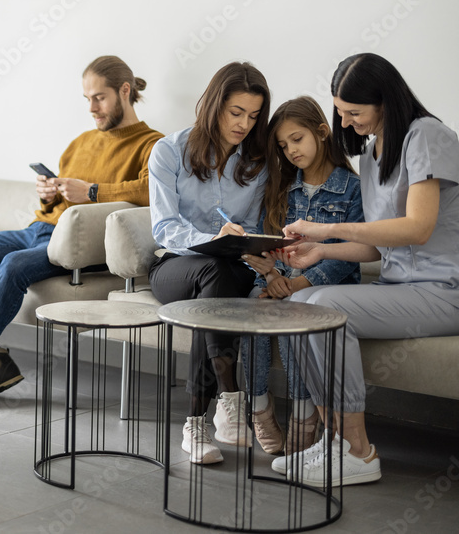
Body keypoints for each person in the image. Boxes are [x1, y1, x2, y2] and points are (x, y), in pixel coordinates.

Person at [0, 56, 164, 403]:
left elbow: (150, 191)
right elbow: (60, 201)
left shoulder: (153, 144)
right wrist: (49, 195)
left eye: (99, 97)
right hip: (40, 230)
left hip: (82, 247)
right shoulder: (80, 142)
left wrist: (91, 192)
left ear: (124, 91)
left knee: (14, 264)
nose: (92, 107)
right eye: (87, 98)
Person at [276, 53, 459, 487]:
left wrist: (326, 230)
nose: (345, 123)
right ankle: (335, 440)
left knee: (325, 308)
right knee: (297, 304)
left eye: (354, 112)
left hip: (444, 290)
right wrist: (320, 253)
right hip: (402, 288)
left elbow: (417, 229)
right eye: (340, 112)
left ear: (385, 101)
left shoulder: (426, 136)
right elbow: (379, 245)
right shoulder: (374, 152)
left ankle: (360, 452)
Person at [147, 61, 270, 464]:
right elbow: (165, 228)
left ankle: (195, 424)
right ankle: (230, 394)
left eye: (253, 116)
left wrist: (249, 246)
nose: (244, 125)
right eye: (236, 113)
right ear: (215, 106)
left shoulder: (258, 163)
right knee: (210, 272)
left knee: (216, 280)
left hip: (230, 269)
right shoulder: (169, 151)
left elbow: (252, 227)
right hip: (175, 267)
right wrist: (211, 240)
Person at [238, 96, 362, 456]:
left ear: (322, 132)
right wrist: (273, 275)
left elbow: (344, 256)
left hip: (325, 285)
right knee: (253, 306)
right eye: (282, 145)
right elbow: (267, 240)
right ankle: (259, 410)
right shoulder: (281, 187)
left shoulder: (352, 189)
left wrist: (292, 285)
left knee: (297, 310)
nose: (290, 150)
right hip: (278, 279)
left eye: (297, 139)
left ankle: (304, 416)